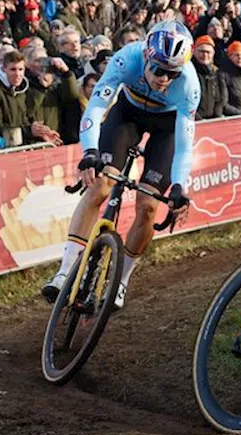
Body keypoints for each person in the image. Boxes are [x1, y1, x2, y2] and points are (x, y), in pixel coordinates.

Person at [40, 20, 199, 310]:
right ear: (147, 58)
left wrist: (179, 186)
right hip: (127, 115)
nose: (165, 79)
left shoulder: (189, 83)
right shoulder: (128, 58)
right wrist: (89, 151)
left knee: (149, 205)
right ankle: (65, 271)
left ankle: (120, 280)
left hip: (167, 127)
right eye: (159, 70)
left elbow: (185, 143)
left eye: (172, 73)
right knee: (101, 185)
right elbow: (97, 106)